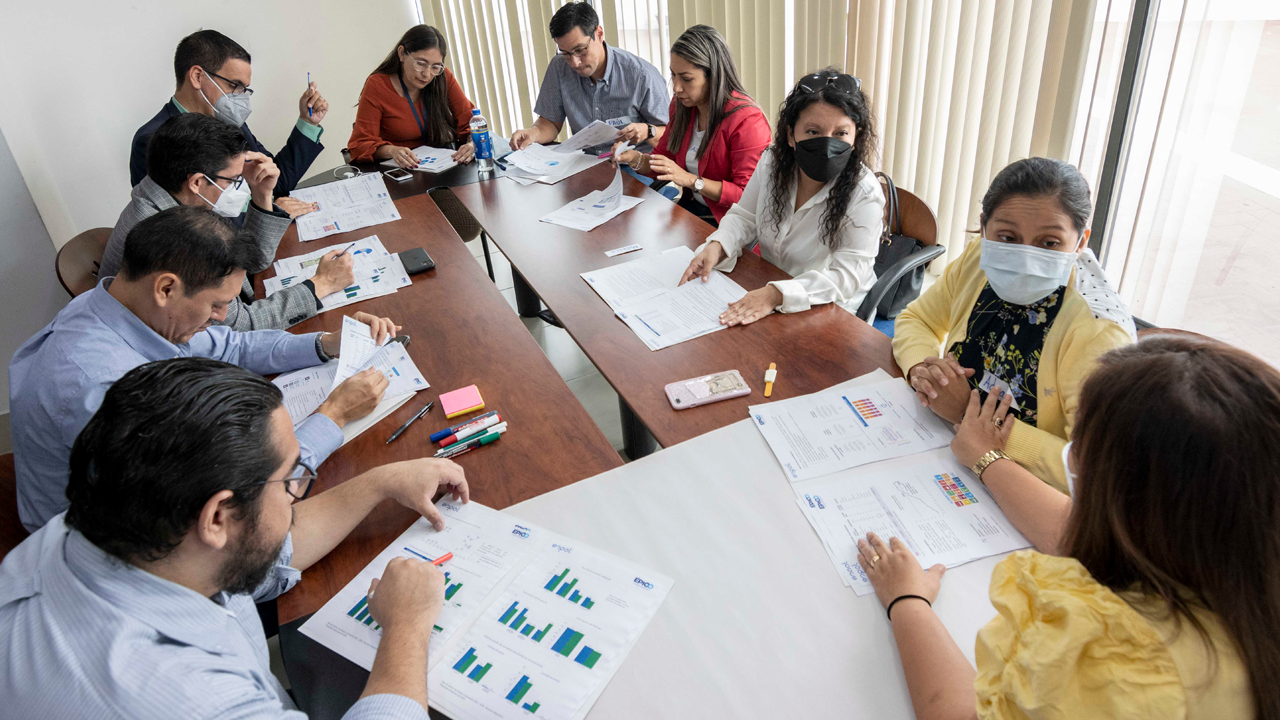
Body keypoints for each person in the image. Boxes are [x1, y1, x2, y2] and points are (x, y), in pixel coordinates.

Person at [0, 357, 467, 719]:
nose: (295, 496)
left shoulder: (104, 525)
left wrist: (382, 482)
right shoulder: (192, 699)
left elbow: (268, 544)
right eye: (289, 479)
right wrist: (407, 627)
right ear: (218, 516)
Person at [855, 336, 1271, 720]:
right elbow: (1070, 530)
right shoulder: (1239, 572)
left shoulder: (1106, 656)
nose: (1069, 461)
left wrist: (907, 601)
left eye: (1079, 450)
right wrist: (987, 459)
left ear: (1124, 499)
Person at [9, 206, 396, 531]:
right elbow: (237, 498)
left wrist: (323, 344)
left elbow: (230, 345)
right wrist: (333, 415)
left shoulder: (119, 304)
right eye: (216, 305)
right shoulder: (104, 390)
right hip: (106, 544)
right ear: (166, 288)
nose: (223, 317)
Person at [893, 157, 1135, 494]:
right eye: (1007, 237)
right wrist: (922, 369)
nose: (1024, 256)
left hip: (1028, 491)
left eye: (1049, 243)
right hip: (942, 447)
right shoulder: (981, 256)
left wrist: (970, 412)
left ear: (1080, 243)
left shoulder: (1098, 332)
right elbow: (917, 319)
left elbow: (1097, 467)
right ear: (985, 226)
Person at [105, 114, 353, 330]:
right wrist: (321, 284)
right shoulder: (176, 239)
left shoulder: (164, 193)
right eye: (234, 179)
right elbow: (243, 324)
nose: (239, 185)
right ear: (197, 183)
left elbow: (253, 260)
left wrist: (262, 193)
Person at [679, 70, 884, 325]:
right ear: (790, 135)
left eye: (841, 133)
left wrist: (777, 294)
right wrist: (717, 246)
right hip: (769, 286)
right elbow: (745, 216)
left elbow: (847, 277)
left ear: (856, 137)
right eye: (812, 131)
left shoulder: (865, 193)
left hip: (829, 306)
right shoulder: (772, 163)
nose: (827, 144)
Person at [130, 29, 326, 213]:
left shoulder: (228, 120)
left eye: (244, 89)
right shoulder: (153, 140)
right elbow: (186, 226)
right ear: (197, 76)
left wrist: (308, 122)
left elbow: (275, 181)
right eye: (234, 85)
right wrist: (269, 211)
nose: (240, 98)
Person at [613, 25, 771, 227]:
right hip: (693, 213)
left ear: (713, 76)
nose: (677, 88)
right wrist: (634, 158)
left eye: (686, 79)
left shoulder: (748, 120)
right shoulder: (682, 107)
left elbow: (746, 195)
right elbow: (663, 160)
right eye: (673, 75)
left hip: (731, 223)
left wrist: (691, 180)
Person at [509, 2, 669, 163]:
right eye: (565, 53)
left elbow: (671, 137)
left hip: (633, 165)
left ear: (599, 34)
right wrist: (534, 133)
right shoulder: (559, 67)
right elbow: (551, 121)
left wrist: (649, 131)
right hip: (584, 163)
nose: (574, 62)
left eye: (580, 50)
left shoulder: (641, 75)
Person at [348, 25, 479, 168]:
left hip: (438, 166)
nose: (427, 74)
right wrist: (392, 150)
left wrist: (473, 143)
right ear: (402, 54)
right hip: (396, 169)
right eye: (421, 64)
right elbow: (360, 145)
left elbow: (471, 122)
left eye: (435, 66)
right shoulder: (378, 85)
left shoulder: (442, 77)